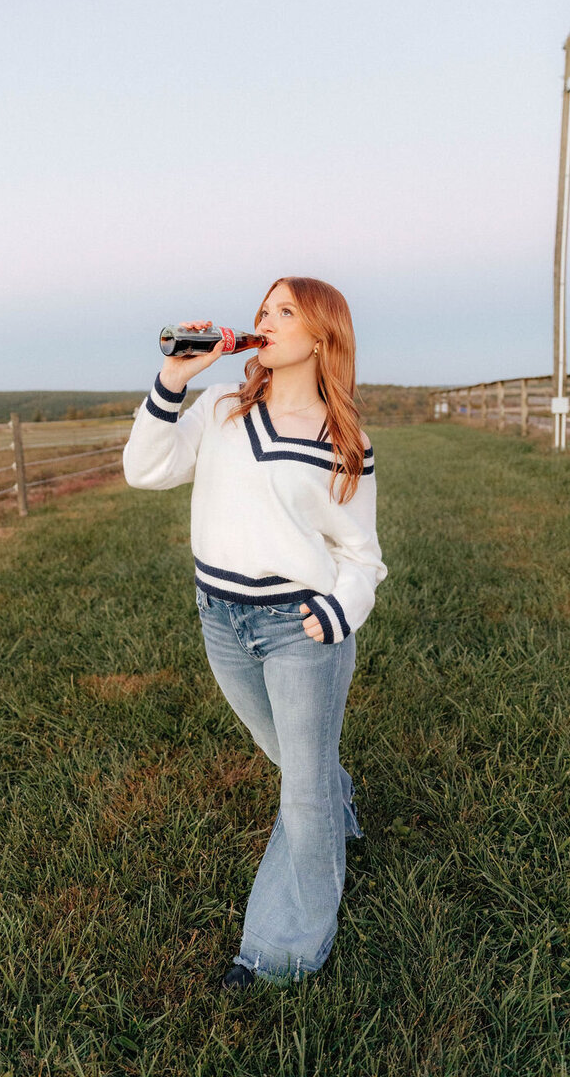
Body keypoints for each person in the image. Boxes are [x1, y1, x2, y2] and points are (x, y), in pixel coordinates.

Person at [122, 276, 388, 991]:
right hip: (222, 620)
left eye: (283, 311)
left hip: (302, 630)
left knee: (300, 794)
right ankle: (341, 798)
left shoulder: (346, 442)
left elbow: (362, 555)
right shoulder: (220, 410)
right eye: (262, 309)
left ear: (322, 336)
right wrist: (172, 380)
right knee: (292, 761)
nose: (264, 320)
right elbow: (144, 470)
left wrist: (337, 613)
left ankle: (278, 953)